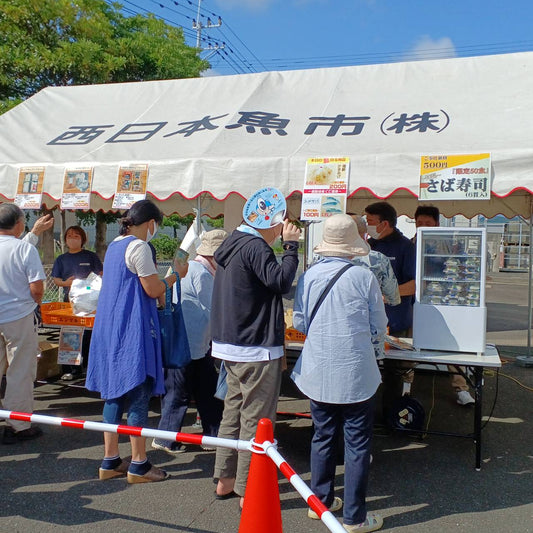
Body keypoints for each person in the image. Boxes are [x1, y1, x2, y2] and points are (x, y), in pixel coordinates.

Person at [291, 214, 386, 533]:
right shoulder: (364, 277)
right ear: (353, 244)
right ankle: (355, 518)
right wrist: (374, 351)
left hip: (318, 370)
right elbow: (378, 326)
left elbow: (300, 324)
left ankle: (320, 502)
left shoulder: (310, 275)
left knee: (322, 436)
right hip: (357, 369)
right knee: (357, 443)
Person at [86, 199, 188, 483]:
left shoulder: (115, 245)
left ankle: (110, 460)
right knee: (139, 394)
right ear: (150, 223)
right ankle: (139, 464)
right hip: (132, 329)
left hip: (109, 327)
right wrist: (176, 276)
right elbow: (153, 288)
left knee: (114, 394)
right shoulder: (139, 246)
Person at [211, 187, 301, 508]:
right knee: (256, 417)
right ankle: (247, 489)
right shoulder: (256, 247)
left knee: (232, 411)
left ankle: (225, 479)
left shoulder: (232, 243)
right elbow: (281, 282)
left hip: (230, 344)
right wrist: (291, 247)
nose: (284, 228)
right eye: (283, 222)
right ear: (274, 220)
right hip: (255, 345)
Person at [152, 229, 228, 454]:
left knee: (204, 390)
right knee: (180, 392)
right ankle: (165, 438)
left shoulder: (192, 267)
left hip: (189, 342)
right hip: (189, 343)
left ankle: (212, 436)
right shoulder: (202, 273)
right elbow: (214, 310)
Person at [412, 205, 475, 406]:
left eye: (427, 223)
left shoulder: (448, 243)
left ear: (437, 223)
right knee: (409, 347)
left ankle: (461, 388)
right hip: (416, 301)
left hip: (444, 302)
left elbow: (460, 270)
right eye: (419, 223)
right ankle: (405, 387)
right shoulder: (412, 243)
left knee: (450, 346)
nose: (422, 226)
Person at [0, 203, 46, 444]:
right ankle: (18, 424)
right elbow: (37, 289)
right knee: (19, 371)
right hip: (18, 315)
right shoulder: (24, 250)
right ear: (19, 224)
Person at [364, 201, 416, 404]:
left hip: (395, 322)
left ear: (384, 224)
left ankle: (390, 415)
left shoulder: (405, 247)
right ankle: (369, 412)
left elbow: (413, 285)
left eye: (369, 221)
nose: (366, 225)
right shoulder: (370, 244)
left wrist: (385, 294)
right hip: (369, 322)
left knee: (394, 372)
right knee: (369, 369)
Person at [52, 225, 103, 381]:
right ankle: (71, 369)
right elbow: (56, 280)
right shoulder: (61, 259)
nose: (72, 239)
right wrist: (67, 283)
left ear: (82, 239)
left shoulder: (90, 256)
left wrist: (88, 286)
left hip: (90, 304)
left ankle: (89, 367)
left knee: (88, 336)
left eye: (76, 236)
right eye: (69, 236)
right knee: (70, 336)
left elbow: (100, 275)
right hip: (70, 304)